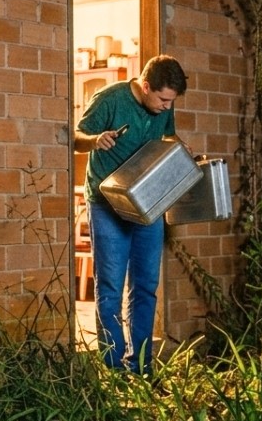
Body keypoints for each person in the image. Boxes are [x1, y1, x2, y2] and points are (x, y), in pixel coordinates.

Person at [74, 54, 188, 375]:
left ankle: (140, 366)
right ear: (146, 85)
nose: (167, 106)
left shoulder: (164, 105)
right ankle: (113, 368)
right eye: (163, 99)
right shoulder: (110, 99)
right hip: (107, 203)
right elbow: (75, 136)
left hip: (146, 201)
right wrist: (96, 140)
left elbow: (168, 135)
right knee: (110, 285)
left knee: (145, 285)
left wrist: (181, 147)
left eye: (172, 101)